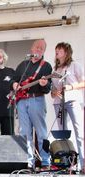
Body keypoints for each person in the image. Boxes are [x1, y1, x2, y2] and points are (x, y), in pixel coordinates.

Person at [11, 39, 52, 170]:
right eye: (37, 47)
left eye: (41, 48)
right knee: (24, 132)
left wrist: (45, 84)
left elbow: (48, 88)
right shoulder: (23, 64)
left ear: (44, 51)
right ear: (31, 49)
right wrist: (14, 84)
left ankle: (45, 161)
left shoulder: (46, 66)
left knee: (41, 132)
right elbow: (14, 79)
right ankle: (27, 162)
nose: (38, 49)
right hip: (22, 102)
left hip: (37, 100)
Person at [51, 42, 85, 172]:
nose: (57, 51)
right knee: (63, 133)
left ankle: (83, 164)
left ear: (66, 52)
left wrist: (70, 87)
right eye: (56, 49)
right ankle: (68, 163)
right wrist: (54, 92)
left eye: (59, 49)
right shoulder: (54, 70)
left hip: (72, 100)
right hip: (58, 103)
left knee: (78, 131)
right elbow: (52, 92)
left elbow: (83, 82)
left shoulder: (75, 65)